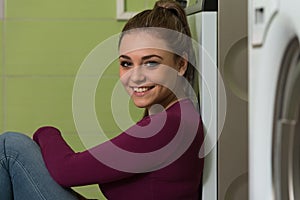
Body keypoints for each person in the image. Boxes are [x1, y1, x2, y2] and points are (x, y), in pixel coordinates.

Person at [0, 0, 204, 199]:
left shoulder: (168, 125)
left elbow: (66, 170)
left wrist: (46, 131)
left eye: (151, 63)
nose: (135, 76)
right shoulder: (179, 115)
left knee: (10, 147)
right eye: (126, 63)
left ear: (180, 65)